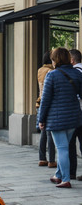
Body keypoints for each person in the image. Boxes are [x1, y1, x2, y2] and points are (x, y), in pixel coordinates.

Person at [37, 47, 82, 188]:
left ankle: (66, 179)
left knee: (62, 149)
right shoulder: (77, 74)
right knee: (64, 147)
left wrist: (41, 119)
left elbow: (45, 100)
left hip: (57, 119)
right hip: (73, 118)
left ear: (55, 59)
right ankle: (58, 175)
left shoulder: (52, 75)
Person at [36, 51, 56, 168]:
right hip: (48, 104)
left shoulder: (40, 70)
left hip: (40, 103)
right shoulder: (51, 72)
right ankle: (52, 160)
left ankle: (42, 158)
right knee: (50, 133)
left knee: (43, 133)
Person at [69, 49, 82, 180]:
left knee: (70, 142)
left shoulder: (73, 73)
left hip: (75, 111)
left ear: (72, 60)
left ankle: (71, 172)